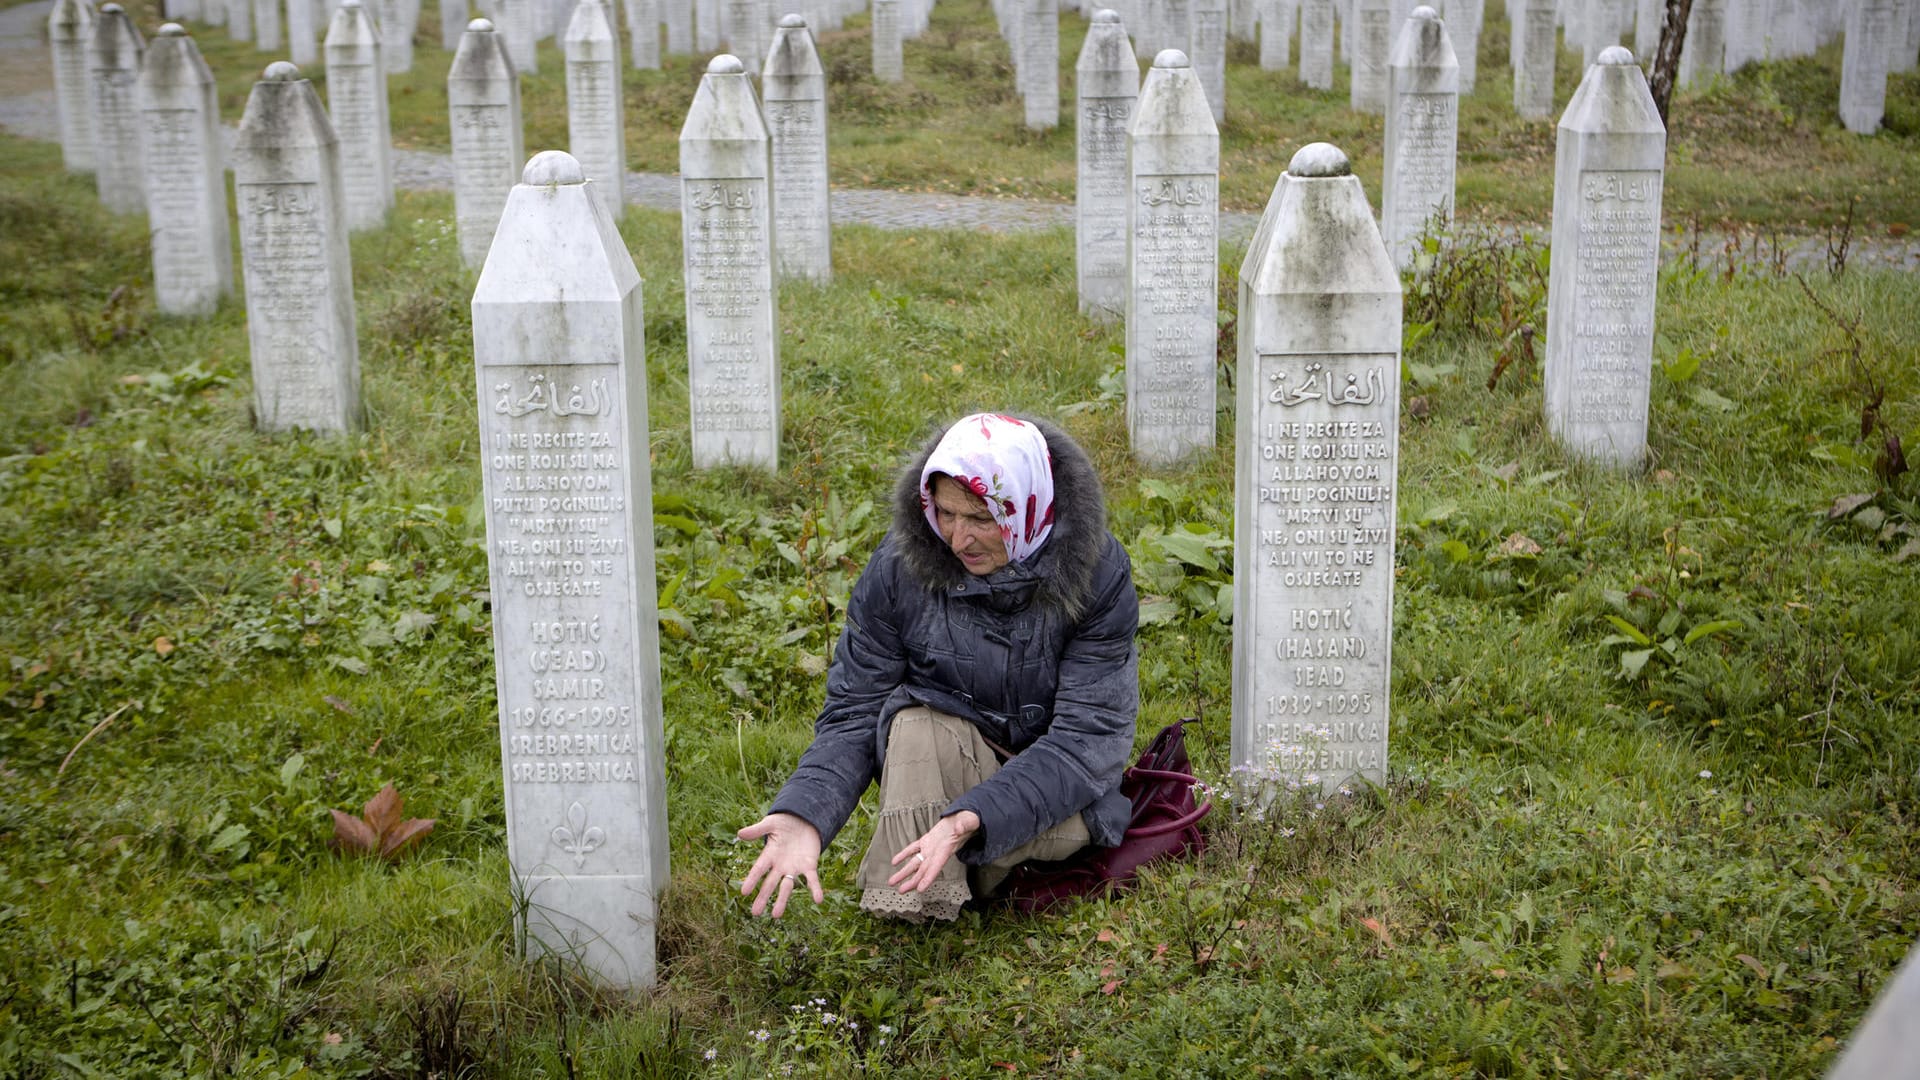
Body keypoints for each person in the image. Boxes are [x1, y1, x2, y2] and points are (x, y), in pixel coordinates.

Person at [737, 413, 1141, 922]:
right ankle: (922, 901)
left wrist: (973, 816)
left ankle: (970, 863)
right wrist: (806, 814)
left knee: (1003, 825)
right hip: (946, 761)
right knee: (913, 723)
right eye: (946, 513)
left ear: (1025, 507)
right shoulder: (899, 568)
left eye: (981, 518)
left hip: (1051, 784)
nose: (957, 538)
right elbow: (855, 709)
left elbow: (1087, 743)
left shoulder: (1097, 575)